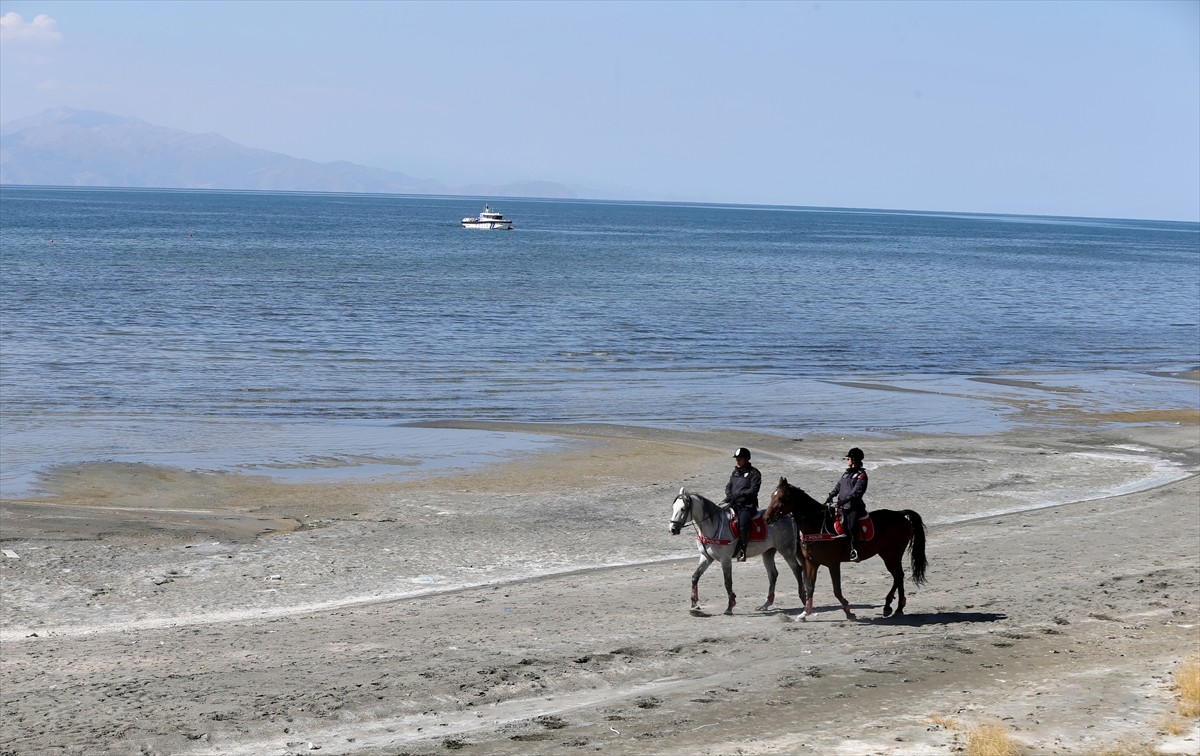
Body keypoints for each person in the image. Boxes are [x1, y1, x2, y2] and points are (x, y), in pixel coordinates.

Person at [824, 447, 868, 561]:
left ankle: (854, 550)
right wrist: (831, 495)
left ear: (854, 460)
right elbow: (839, 486)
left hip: (854, 507)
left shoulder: (861, 475)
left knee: (851, 526)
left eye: (848, 458)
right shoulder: (846, 474)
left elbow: (856, 492)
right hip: (842, 506)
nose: (847, 460)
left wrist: (844, 501)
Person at [722, 447, 761, 562]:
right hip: (734, 504)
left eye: (739, 459)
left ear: (746, 459)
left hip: (747, 506)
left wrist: (739, 495)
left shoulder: (754, 473)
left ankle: (743, 550)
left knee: (743, 524)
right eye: (736, 459)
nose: (737, 461)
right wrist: (729, 495)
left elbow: (753, 490)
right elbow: (728, 486)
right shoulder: (735, 472)